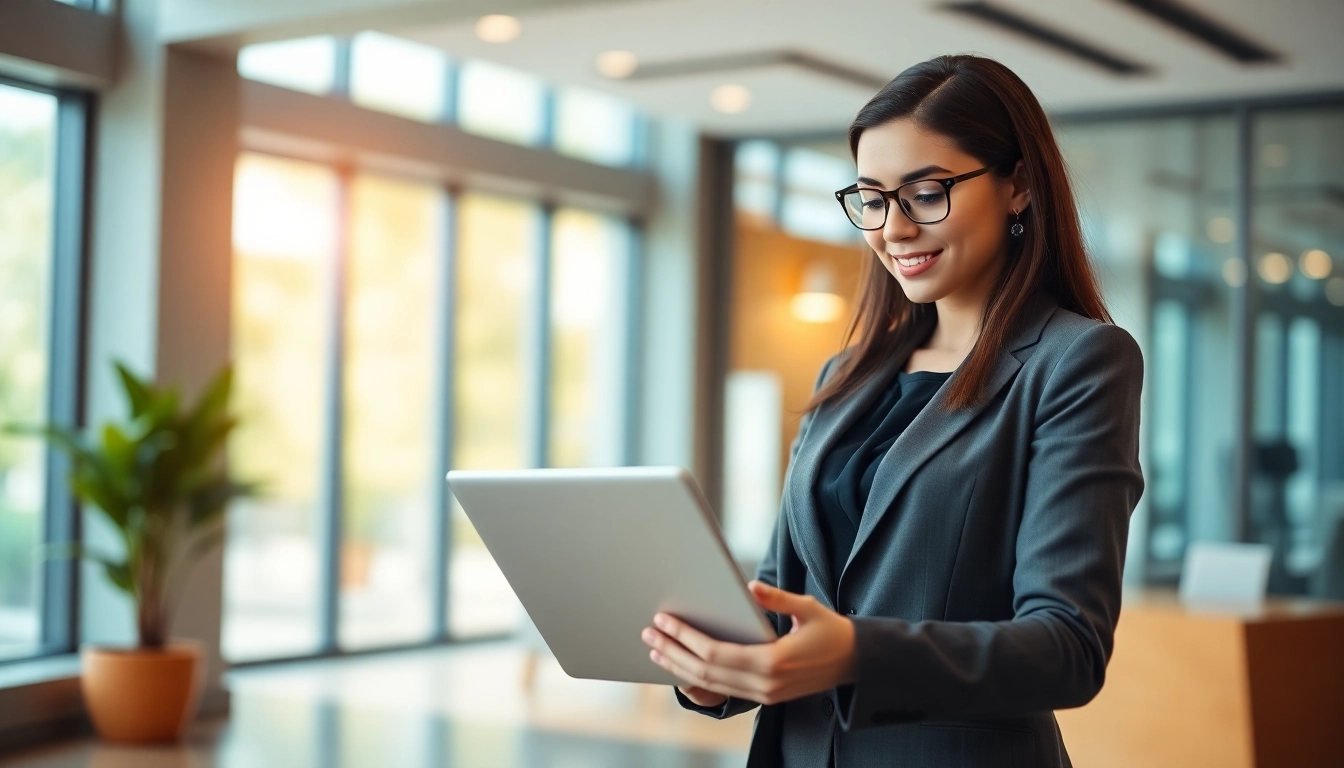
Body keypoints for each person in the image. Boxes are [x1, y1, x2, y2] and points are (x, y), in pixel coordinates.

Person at [640, 54, 1144, 767]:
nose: (893, 229)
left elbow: (1067, 647)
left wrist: (853, 652)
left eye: (927, 192)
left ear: (1019, 186)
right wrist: (715, 670)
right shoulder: (847, 375)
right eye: (873, 199)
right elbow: (785, 595)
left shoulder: (1078, 362)